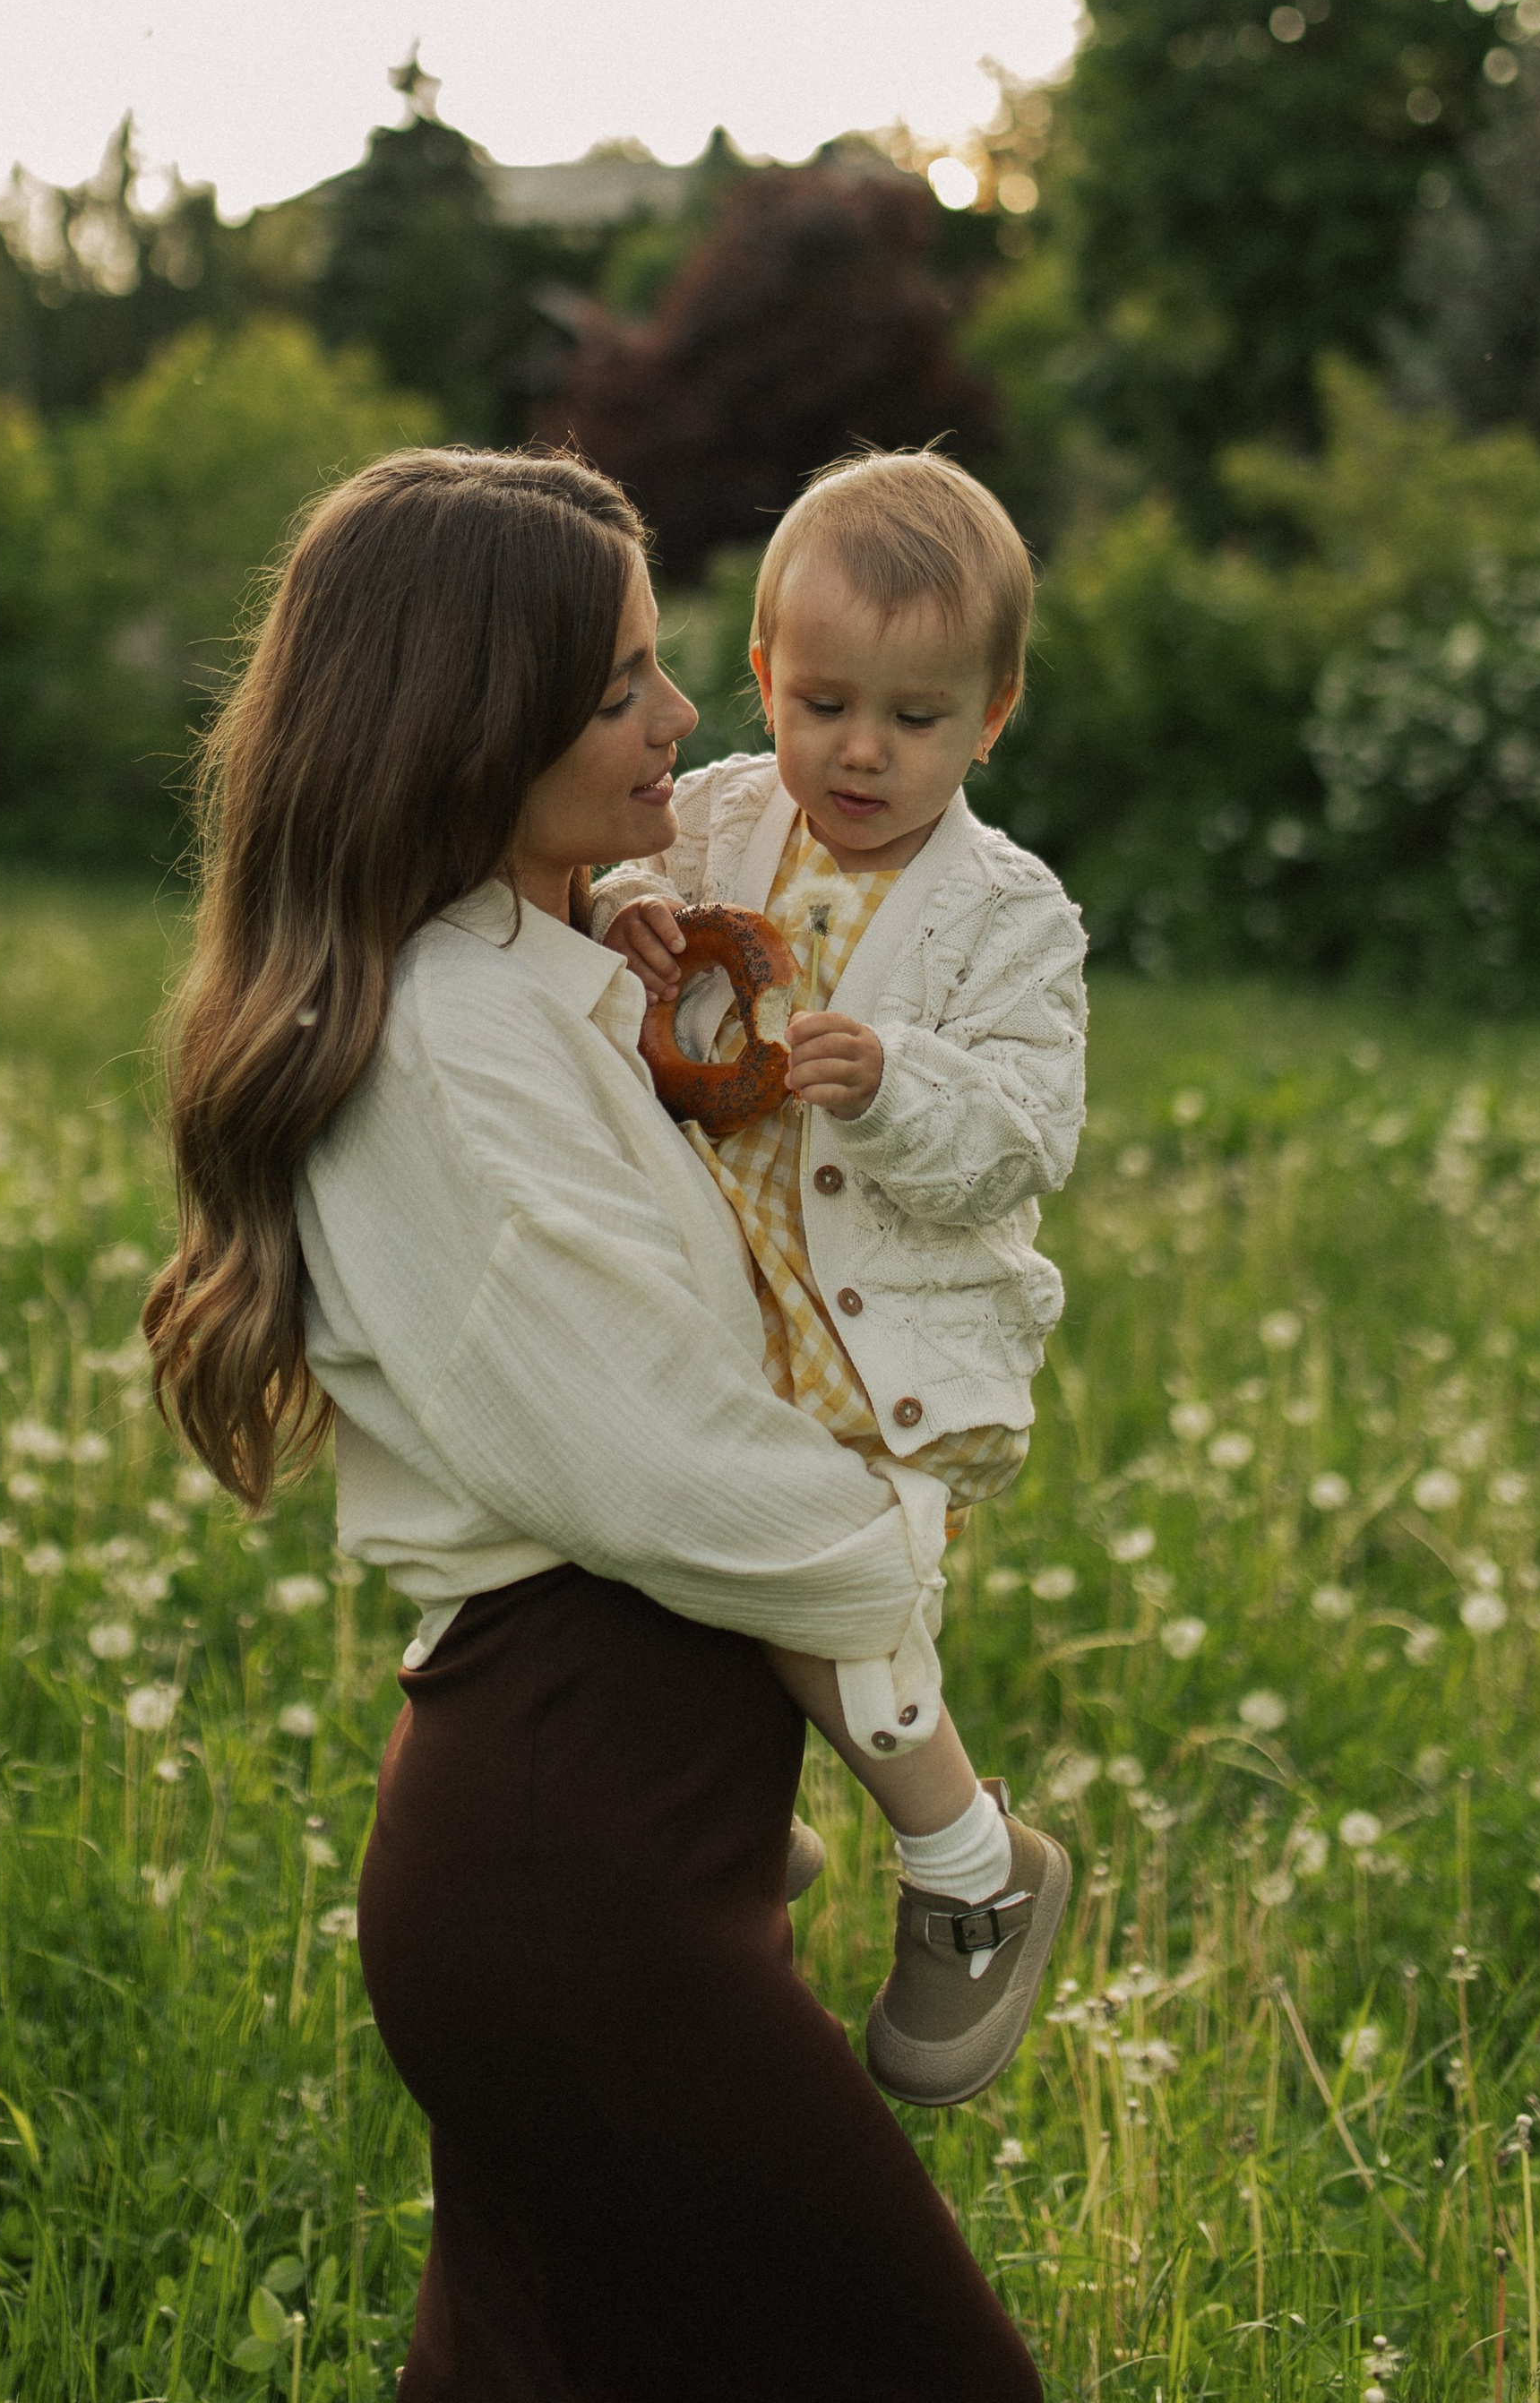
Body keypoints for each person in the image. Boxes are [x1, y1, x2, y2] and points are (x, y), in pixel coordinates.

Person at [144, 444, 1042, 2403]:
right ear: (469, 726)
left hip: (617, 1837)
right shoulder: (443, 1052)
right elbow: (657, 1460)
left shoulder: (538, 977)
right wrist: (893, 1552)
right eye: (614, 685)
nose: (675, 720)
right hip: (575, 1852)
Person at [595, 449, 1086, 2107]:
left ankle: (971, 1870)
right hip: (704, 1310)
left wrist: (899, 1087)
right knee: (638, 1565)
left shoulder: (1009, 918)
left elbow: (1031, 1132)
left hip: (874, 1352)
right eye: (823, 703)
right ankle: (741, 1829)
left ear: (994, 718)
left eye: (919, 717)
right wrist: (628, 922)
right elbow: (613, 897)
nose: (862, 751)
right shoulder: (720, 820)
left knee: (845, 1615)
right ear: (761, 680)